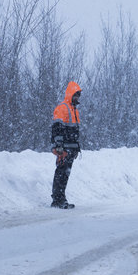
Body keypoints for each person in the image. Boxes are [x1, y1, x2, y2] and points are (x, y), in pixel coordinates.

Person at [50, 81, 82, 209]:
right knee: (61, 173)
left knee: (65, 174)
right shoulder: (62, 108)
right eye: (76, 95)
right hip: (63, 148)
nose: (77, 98)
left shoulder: (74, 110)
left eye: (78, 96)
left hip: (71, 148)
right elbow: (57, 128)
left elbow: (74, 130)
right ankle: (57, 200)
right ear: (70, 94)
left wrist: (76, 147)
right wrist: (59, 146)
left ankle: (61, 198)